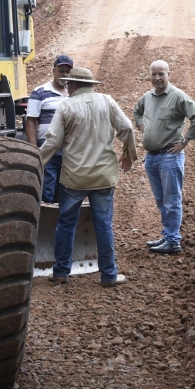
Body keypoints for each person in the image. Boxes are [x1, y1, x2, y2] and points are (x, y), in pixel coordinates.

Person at [40, 67, 137, 287]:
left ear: (73, 84)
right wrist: (128, 155)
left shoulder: (65, 106)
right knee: (103, 225)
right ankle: (109, 275)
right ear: (91, 85)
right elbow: (128, 128)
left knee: (66, 223)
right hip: (103, 175)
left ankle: (61, 272)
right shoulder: (108, 101)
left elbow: (53, 141)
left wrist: (37, 164)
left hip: (74, 177)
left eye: (68, 84)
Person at [133, 60, 195, 254]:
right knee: (160, 200)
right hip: (152, 158)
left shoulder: (178, 96)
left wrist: (185, 141)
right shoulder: (147, 97)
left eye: (161, 74)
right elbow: (137, 112)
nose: (157, 78)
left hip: (169, 157)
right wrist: (142, 128)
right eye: (154, 74)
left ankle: (173, 241)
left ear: (169, 74)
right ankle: (167, 235)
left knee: (171, 200)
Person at [26, 55, 73, 203]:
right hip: (48, 149)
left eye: (67, 71)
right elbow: (31, 121)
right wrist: (34, 148)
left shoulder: (75, 93)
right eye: (61, 70)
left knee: (67, 189)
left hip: (70, 150)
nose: (64, 74)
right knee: (47, 188)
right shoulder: (39, 92)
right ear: (53, 70)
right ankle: (46, 221)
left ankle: (62, 223)